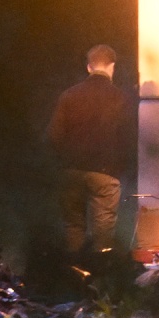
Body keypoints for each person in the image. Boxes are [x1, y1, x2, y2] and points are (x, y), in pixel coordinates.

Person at [47, 45, 134, 259]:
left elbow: (53, 135)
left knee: (73, 225)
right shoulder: (121, 98)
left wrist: (66, 160)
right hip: (106, 171)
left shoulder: (69, 95)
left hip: (72, 170)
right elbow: (128, 138)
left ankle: (76, 268)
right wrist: (120, 166)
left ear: (89, 67)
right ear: (112, 67)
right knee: (103, 228)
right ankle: (100, 268)